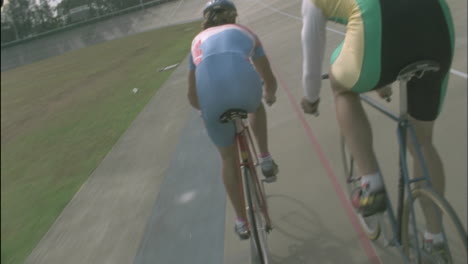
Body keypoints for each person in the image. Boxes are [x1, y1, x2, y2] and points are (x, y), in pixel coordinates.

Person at [299, 0, 454, 258]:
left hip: (378, 32)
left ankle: (371, 184)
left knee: (341, 87)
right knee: (422, 142)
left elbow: (312, 50)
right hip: (437, 21)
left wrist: (311, 96)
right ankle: (435, 236)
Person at [187, 0, 279, 240]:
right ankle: (265, 158)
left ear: (206, 18)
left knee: (228, 159)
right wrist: (269, 93)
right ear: (234, 16)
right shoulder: (245, 32)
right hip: (246, 93)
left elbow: (192, 96)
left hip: (212, 101)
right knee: (255, 105)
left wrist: (204, 111)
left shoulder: (196, 42)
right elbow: (268, 76)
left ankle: (241, 221)